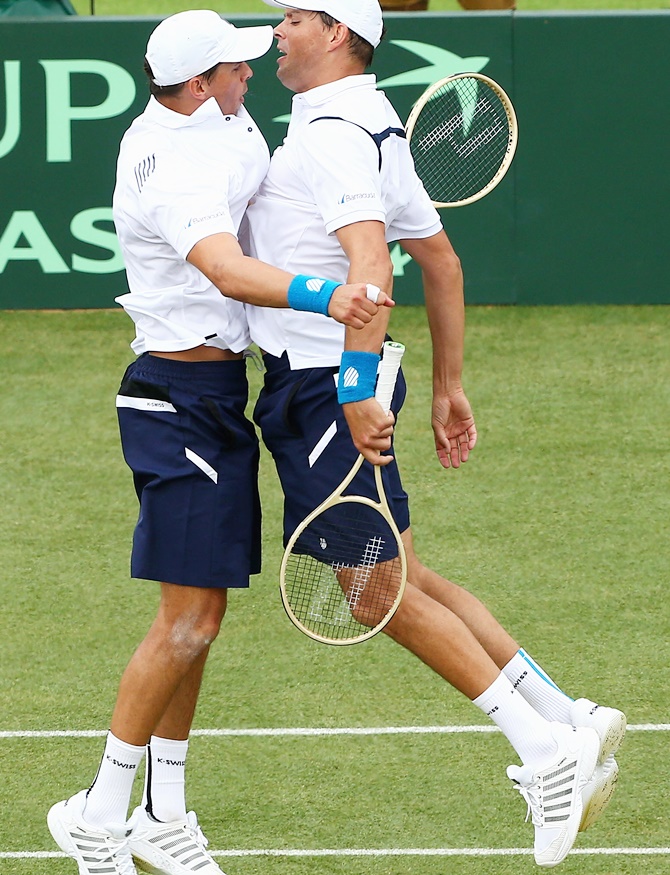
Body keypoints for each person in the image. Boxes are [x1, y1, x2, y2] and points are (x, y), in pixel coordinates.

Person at [245, 0, 626, 868]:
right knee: (404, 574)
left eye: (292, 18)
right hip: (355, 375)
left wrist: (350, 389)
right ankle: (566, 715)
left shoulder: (335, 132)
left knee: (371, 594)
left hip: (322, 386)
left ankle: (544, 752)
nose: (276, 32)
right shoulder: (372, 120)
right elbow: (442, 261)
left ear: (335, 33)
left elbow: (374, 265)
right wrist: (448, 385)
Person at [46, 11, 392, 875]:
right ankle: (97, 811)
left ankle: (164, 812)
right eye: (236, 65)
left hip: (218, 396)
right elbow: (230, 271)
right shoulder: (171, 167)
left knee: (204, 617)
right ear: (199, 85)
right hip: (174, 404)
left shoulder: (225, 117)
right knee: (187, 618)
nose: (253, 70)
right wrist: (329, 296)